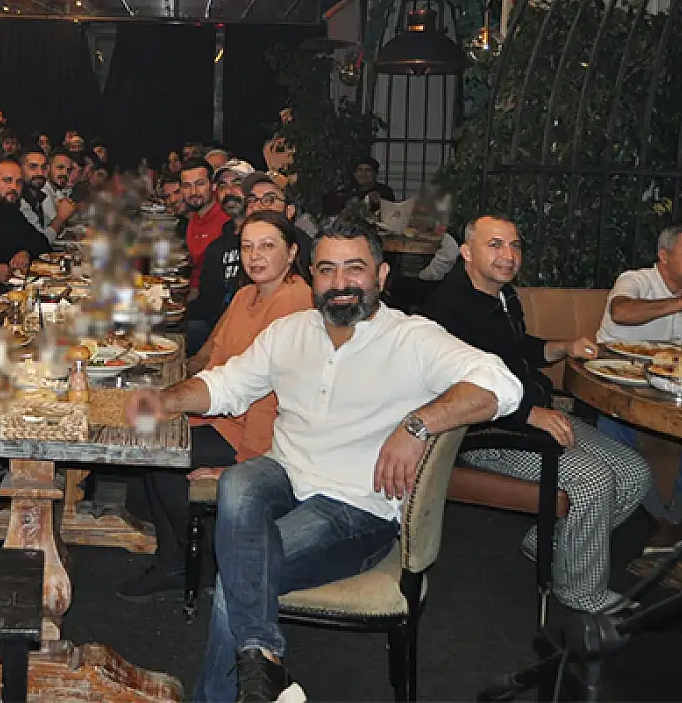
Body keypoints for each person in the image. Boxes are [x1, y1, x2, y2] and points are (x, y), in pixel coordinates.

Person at [126, 215, 523, 701]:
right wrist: (163, 401)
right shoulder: (291, 331)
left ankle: (241, 686)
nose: (340, 283)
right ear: (312, 276)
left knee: (240, 576)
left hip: (354, 506)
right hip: (283, 476)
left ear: (381, 276)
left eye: (354, 268)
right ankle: (263, 665)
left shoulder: (413, 339)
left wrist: (417, 424)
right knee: (239, 481)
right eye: (327, 270)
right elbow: (227, 385)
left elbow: (503, 385)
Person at [423, 215, 650, 613]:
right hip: (482, 433)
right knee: (595, 481)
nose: (509, 255)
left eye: (515, 245)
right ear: (467, 253)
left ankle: (547, 540)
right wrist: (528, 414)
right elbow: (455, 388)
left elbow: (518, 349)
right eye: (495, 245)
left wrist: (562, 346)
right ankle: (580, 592)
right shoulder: (449, 308)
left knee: (635, 473)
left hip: (530, 414)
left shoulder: (504, 296)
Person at [118, 213, 313, 602]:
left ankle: (203, 561)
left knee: (160, 453)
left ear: (292, 253)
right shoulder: (246, 295)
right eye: (247, 247)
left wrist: (247, 464)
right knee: (149, 440)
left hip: (260, 434)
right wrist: (175, 378)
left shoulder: (296, 303)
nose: (255, 256)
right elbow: (212, 354)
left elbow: (275, 397)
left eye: (267, 246)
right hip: (223, 413)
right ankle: (175, 559)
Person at [595, 224, 682, 547]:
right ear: (664, 256)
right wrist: (679, 304)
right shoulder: (636, 280)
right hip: (615, 385)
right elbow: (621, 311)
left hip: (671, 392)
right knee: (615, 425)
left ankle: (675, 516)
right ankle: (660, 518)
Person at [187, 162, 256, 347]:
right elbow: (207, 300)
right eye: (223, 186)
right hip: (215, 331)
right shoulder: (217, 247)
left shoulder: (266, 241)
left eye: (237, 183)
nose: (229, 191)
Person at [0, 158, 51, 277]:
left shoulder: (12, 210)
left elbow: (42, 243)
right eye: (7, 180)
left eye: (19, 182)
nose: (14, 187)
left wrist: (25, 252)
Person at [180, 157, 227, 291]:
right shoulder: (194, 218)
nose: (193, 192)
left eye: (200, 184)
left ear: (213, 186)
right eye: (187, 186)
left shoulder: (226, 220)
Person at [18, 149, 58, 241]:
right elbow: (39, 242)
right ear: (20, 170)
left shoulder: (38, 197)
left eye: (43, 168)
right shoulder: (19, 201)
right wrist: (61, 218)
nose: (40, 173)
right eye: (33, 167)